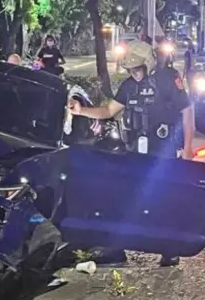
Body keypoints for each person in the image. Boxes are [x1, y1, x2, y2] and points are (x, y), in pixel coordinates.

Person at [68, 39, 195, 266]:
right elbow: (109, 110)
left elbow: (187, 112)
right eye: (131, 70)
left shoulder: (167, 79)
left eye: (138, 68)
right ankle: (116, 250)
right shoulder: (128, 86)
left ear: (148, 63)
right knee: (123, 197)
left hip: (162, 151)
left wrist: (188, 148)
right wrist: (82, 111)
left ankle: (169, 250)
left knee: (163, 199)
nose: (135, 74)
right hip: (135, 150)